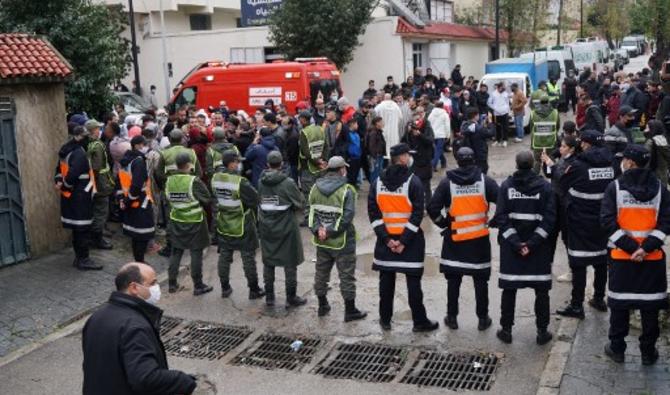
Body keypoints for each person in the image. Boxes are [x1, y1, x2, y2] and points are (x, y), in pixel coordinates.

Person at [600, 145, 670, 366]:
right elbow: (666, 223)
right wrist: (646, 248)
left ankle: (617, 349)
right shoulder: (660, 189)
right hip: (652, 260)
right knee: (649, 307)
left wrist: (631, 248)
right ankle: (648, 353)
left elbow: (607, 222)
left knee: (620, 305)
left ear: (630, 163)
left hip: (622, 258)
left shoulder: (615, 188)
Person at [82, 262, 197, 395]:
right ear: (134, 288)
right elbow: (145, 378)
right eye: (152, 283)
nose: (157, 288)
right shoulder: (134, 327)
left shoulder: (97, 317)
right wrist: (182, 381)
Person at [368, 143, 438, 332]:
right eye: (408, 155)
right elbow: (417, 215)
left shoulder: (377, 183)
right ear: (402, 158)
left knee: (386, 283)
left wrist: (388, 240)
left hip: (386, 244)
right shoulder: (413, 182)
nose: (409, 158)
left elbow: (374, 215)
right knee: (414, 285)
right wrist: (403, 241)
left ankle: (385, 319)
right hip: (410, 243)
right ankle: (419, 322)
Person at [428, 147, 499, 330]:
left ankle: (452, 318)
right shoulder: (485, 182)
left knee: (453, 281)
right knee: (480, 281)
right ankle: (483, 320)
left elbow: (432, 208)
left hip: (455, 241)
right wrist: (495, 221)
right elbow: (503, 202)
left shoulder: (447, 183)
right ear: (474, 160)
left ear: (458, 161)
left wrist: (444, 223)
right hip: (479, 242)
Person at [494, 151, 556, 345]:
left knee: (510, 289)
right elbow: (550, 220)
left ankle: (506, 330)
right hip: (538, 250)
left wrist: (517, 244)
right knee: (541, 291)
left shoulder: (506, 186)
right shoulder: (545, 188)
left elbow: (501, 218)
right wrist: (532, 244)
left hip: (512, 250)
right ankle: (542, 332)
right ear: (533, 164)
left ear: (516, 164)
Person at [557, 130, 614, 319]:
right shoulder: (612, 164)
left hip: (580, 222)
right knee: (601, 261)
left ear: (586, 145)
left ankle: (576, 305)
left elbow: (561, 185)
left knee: (578, 263)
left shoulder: (577, 166)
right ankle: (599, 298)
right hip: (603, 221)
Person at [308, 156, 367, 322]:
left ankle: (322, 305)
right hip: (342, 241)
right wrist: (331, 231)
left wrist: (317, 230)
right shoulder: (347, 190)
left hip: (321, 240)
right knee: (346, 275)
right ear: (341, 170)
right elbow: (347, 217)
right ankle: (350, 310)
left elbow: (310, 213)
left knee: (321, 273)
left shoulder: (314, 188)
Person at [212, 150, 265, 299]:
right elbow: (255, 199)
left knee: (224, 255)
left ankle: (225, 287)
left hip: (224, 222)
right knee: (247, 256)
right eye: (237, 162)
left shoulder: (215, 178)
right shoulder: (239, 182)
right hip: (242, 223)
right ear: (231, 164)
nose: (239, 164)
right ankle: (254, 289)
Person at [257, 151, 307, 308]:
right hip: (286, 227)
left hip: (266, 225)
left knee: (269, 262)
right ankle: (291, 297)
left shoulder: (261, 182)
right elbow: (300, 203)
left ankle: (270, 297)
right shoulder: (288, 183)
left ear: (267, 164)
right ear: (282, 164)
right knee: (290, 262)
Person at [165, 153, 213, 296]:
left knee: (176, 251)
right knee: (196, 252)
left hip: (177, 220)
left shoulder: (169, 180)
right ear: (188, 165)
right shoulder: (194, 181)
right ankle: (198, 286)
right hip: (195, 221)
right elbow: (207, 199)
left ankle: (172, 284)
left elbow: (167, 199)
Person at [55, 125, 101, 270]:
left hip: (71, 196)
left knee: (77, 229)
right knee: (82, 228)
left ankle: (79, 258)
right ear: (81, 137)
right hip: (79, 196)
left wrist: (60, 183)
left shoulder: (66, 150)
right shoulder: (79, 153)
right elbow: (72, 174)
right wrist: (66, 185)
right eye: (86, 136)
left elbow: (59, 170)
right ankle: (83, 260)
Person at [118, 136, 155, 262]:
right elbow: (136, 185)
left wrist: (123, 200)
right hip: (140, 202)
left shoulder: (126, 160)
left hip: (129, 201)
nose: (146, 147)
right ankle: (140, 262)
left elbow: (121, 182)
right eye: (144, 145)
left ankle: (138, 260)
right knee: (142, 234)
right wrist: (128, 200)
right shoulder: (138, 161)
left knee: (135, 235)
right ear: (138, 145)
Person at [85, 119, 114, 250]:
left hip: (93, 183)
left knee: (96, 210)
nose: (99, 130)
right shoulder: (97, 145)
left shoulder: (88, 143)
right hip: (101, 184)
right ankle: (97, 239)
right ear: (94, 130)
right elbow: (96, 167)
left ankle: (94, 237)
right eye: (97, 128)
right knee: (101, 211)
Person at [402, 113, 435, 205]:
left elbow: (430, 140)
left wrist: (420, 135)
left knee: (425, 185)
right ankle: (415, 203)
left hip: (425, 161)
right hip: (414, 161)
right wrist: (408, 132)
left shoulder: (427, 126)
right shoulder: (410, 128)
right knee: (412, 183)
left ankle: (428, 205)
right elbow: (403, 142)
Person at [529, 95, 560, 173]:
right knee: (550, 158)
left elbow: (531, 128)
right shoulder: (555, 112)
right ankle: (551, 175)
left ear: (540, 102)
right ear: (548, 102)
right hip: (551, 142)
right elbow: (558, 126)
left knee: (537, 161)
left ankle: (535, 177)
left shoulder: (533, 113)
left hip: (537, 143)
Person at [604, 105, 637, 176]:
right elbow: (609, 154)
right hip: (618, 171)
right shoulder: (612, 132)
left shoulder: (628, 130)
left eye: (633, 116)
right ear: (621, 117)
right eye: (630, 116)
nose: (633, 118)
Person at [460, 108, 494, 174]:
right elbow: (491, 133)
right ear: (475, 116)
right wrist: (490, 122)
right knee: (482, 171)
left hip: (469, 153)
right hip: (480, 154)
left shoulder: (464, 125)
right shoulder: (478, 128)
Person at [645, 119, 670, 187]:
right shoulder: (663, 140)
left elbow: (646, 160)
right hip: (663, 176)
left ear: (653, 129)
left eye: (647, 128)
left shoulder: (650, 142)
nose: (645, 130)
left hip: (652, 177)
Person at [428, 101, 451, 171]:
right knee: (438, 150)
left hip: (433, 134)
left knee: (438, 150)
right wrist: (448, 135)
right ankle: (433, 164)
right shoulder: (445, 114)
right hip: (441, 135)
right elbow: (447, 126)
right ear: (442, 106)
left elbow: (429, 123)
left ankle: (443, 162)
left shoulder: (431, 114)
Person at [488, 83, 511, 147]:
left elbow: (507, 102)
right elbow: (489, 103)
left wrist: (507, 109)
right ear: (498, 87)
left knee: (505, 127)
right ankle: (498, 141)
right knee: (498, 127)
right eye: (502, 88)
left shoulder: (505, 93)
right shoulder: (493, 94)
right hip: (497, 114)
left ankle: (505, 140)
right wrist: (494, 108)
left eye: (503, 88)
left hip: (504, 113)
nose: (503, 89)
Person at [366, 116, 387, 183]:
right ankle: (373, 188)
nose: (383, 123)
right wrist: (374, 157)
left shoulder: (378, 131)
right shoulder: (374, 132)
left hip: (379, 155)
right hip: (376, 156)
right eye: (381, 122)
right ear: (377, 123)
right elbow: (371, 145)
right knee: (375, 173)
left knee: (378, 173)